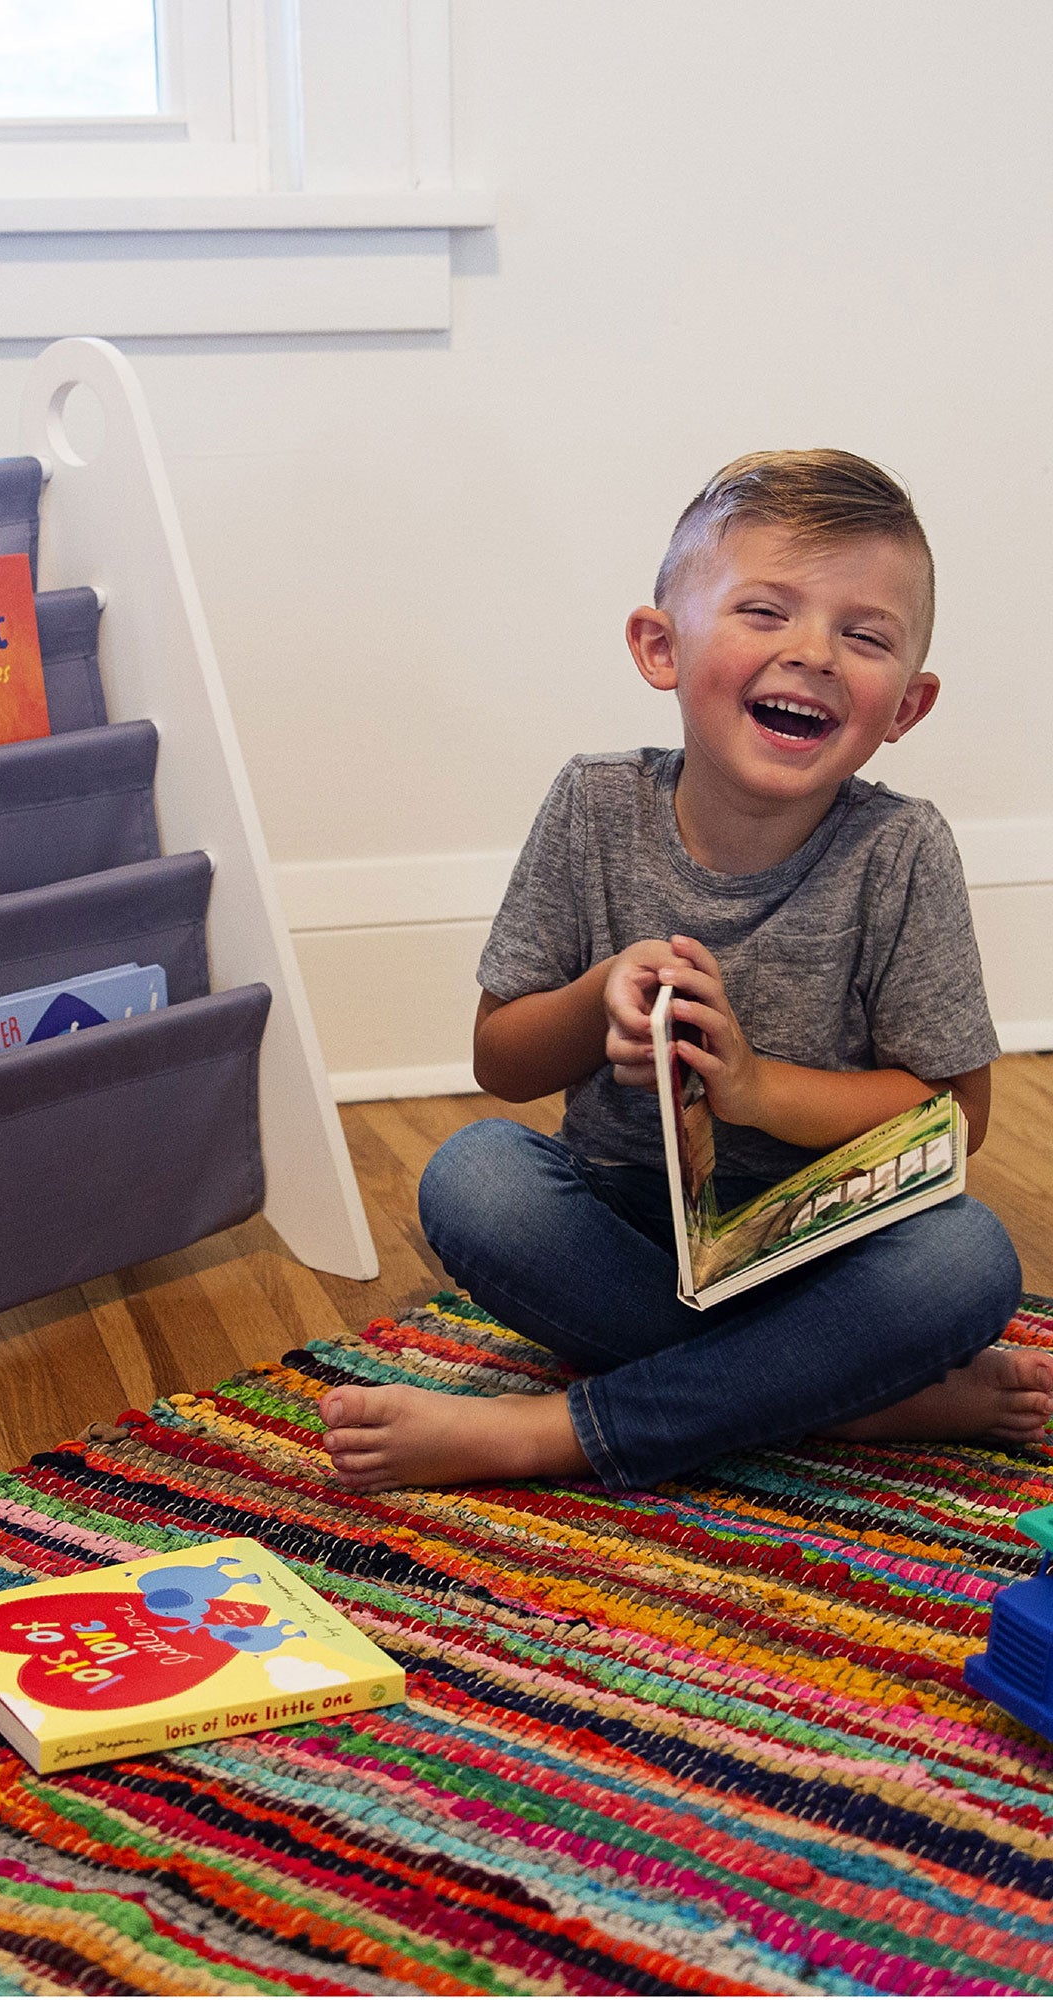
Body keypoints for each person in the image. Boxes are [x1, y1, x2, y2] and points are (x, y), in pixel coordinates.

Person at [321, 450, 1044, 1493]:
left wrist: (756, 1089)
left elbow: (955, 1114)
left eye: (863, 633)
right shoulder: (591, 806)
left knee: (968, 1260)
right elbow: (498, 1059)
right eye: (764, 611)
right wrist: (599, 993)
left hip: (825, 1239)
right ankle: (839, 1396)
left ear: (906, 707)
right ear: (660, 646)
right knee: (472, 1175)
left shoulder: (899, 849)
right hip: (628, 1225)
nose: (812, 654)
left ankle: (556, 1432)